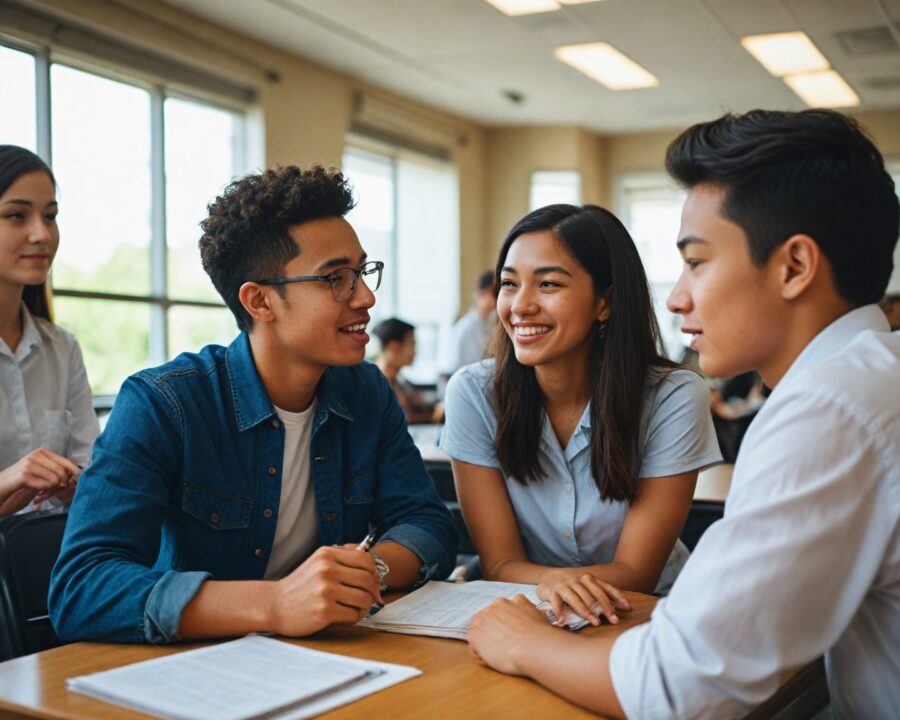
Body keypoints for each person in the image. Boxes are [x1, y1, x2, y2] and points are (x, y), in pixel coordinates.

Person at [466, 109, 900, 719]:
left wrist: (523, 642)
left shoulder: (831, 410)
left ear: (795, 267)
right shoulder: (873, 373)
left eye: (696, 262)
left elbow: (684, 688)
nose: (675, 297)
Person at [49, 165, 457, 644]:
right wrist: (277, 603)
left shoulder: (365, 391)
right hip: (201, 671)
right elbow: (81, 587)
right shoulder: (164, 404)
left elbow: (428, 523)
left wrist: (369, 571)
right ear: (259, 301)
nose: (365, 296)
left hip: (329, 657)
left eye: (362, 272)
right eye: (335, 279)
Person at [440, 203, 721, 623]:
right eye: (509, 283)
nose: (521, 305)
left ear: (604, 303)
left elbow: (636, 573)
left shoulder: (673, 395)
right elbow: (499, 564)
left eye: (548, 284)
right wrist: (549, 584)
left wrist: (550, 582)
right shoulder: (475, 393)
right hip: (530, 610)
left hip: (648, 613)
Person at [0, 145, 98, 517]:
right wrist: (12, 478)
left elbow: (91, 468)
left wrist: (80, 482)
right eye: (16, 215)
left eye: (50, 216)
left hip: (50, 562)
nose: (42, 234)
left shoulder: (62, 348)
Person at [372, 317, 443, 424]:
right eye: (412, 344)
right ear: (394, 347)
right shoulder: (375, 386)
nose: (415, 352)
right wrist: (433, 416)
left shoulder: (402, 383)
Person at [437, 269, 495, 389]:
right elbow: (470, 367)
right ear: (480, 294)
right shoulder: (468, 327)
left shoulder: (486, 324)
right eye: (493, 293)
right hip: (460, 385)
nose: (496, 300)